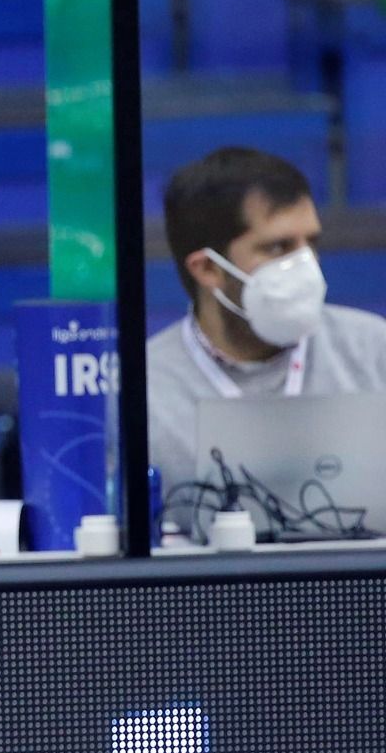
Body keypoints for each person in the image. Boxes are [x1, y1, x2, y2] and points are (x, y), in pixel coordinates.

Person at [149, 146, 386, 507]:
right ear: (208, 269)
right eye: (279, 247)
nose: (306, 266)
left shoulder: (374, 351)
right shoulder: (145, 389)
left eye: (311, 243)